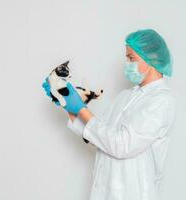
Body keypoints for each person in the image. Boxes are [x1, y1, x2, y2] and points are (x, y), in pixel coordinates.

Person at [42, 29, 176, 200]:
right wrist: (68, 105)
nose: (127, 63)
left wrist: (81, 109)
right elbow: (99, 137)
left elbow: (121, 145)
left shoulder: (161, 100)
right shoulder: (125, 96)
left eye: (131, 58)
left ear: (151, 58)